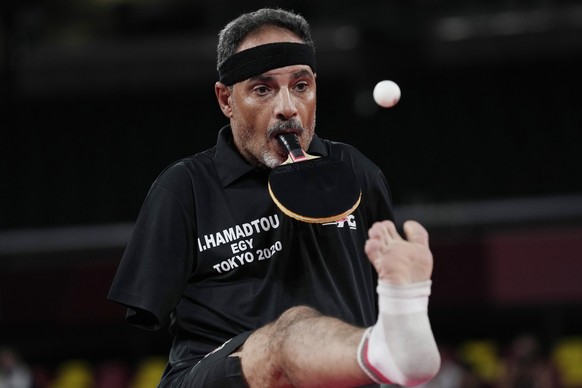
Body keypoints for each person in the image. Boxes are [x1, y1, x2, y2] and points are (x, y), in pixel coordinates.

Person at [108, 7, 440, 387]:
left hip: (336, 378)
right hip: (222, 375)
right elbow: (137, 322)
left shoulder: (356, 172)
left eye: (301, 86)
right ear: (226, 100)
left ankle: (395, 330)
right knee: (289, 330)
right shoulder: (185, 188)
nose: (287, 108)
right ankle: (385, 353)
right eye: (262, 89)